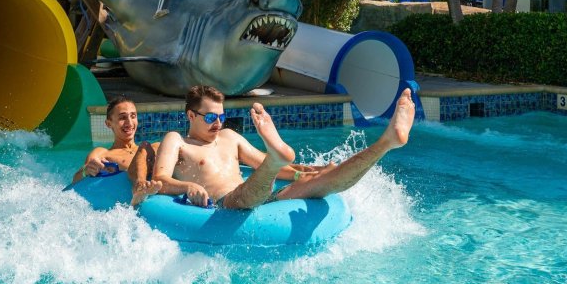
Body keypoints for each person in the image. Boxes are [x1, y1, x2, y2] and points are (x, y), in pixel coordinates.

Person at [151, 85, 415, 209]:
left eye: (221, 117)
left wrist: (306, 172)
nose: (217, 123)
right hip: (226, 204)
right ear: (191, 116)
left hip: (258, 196)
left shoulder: (230, 137)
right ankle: (274, 158)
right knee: (256, 181)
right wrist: (188, 186)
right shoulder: (177, 140)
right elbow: (159, 179)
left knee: (327, 180)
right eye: (210, 117)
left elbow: (270, 167)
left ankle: (386, 142)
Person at [72, 97, 162, 206]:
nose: (129, 122)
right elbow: (76, 181)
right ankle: (139, 187)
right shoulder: (103, 153)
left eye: (133, 116)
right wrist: (85, 170)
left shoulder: (153, 148)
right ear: (109, 124)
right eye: (122, 118)